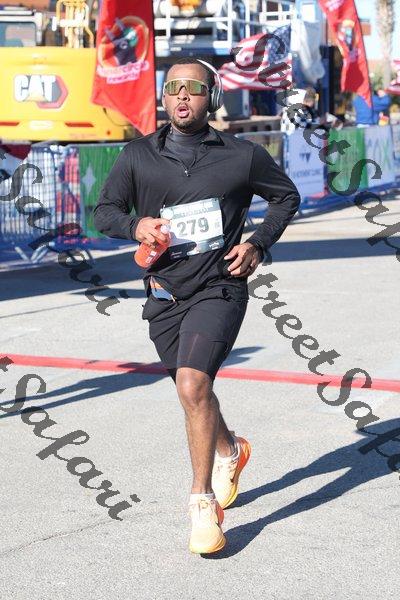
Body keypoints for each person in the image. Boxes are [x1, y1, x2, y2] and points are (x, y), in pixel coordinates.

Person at [93, 57, 301, 554]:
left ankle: (202, 504)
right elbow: (104, 212)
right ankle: (231, 449)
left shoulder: (243, 156)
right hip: (164, 294)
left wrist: (257, 244)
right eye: (173, 88)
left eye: (193, 88)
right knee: (194, 393)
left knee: (192, 384)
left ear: (213, 98)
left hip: (219, 287)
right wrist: (135, 226)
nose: (182, 96)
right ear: (164, 98)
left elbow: (285, 198)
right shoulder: (137, 155)